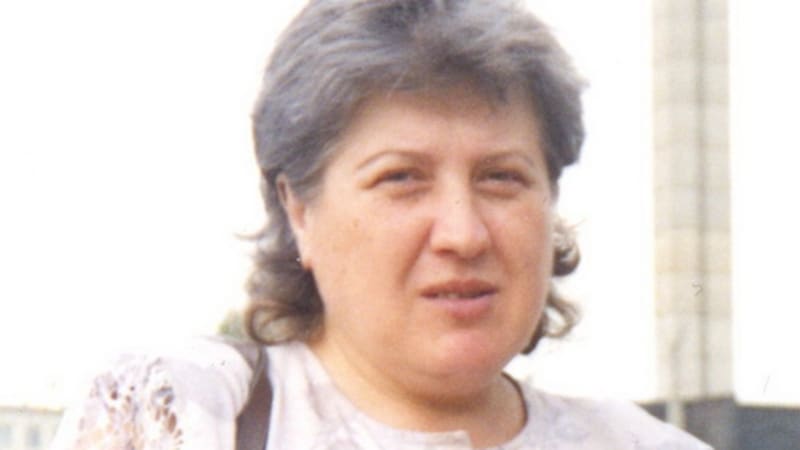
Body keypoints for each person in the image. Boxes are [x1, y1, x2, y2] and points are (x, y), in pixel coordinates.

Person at [51, 1, 713, 449]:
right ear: (299, 210)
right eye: (401, 178)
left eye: (501, 178)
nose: (463, 234)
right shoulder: (182, 414)